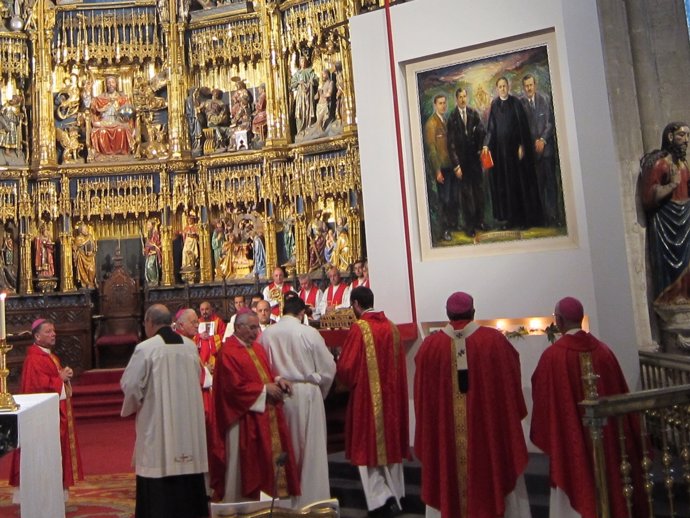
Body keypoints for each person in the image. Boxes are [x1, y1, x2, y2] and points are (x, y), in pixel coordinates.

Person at [414, 292, 531, 518]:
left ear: (447, 315)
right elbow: (511, 387)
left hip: (446, 442)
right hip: (487, 439)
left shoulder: (430, 348)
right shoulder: (494, 342)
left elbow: (422, 401)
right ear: (473, 312)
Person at [530, 297, 646, 518]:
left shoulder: (552, 357)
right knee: (609, 479)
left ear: (559, 321)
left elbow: (542, 396)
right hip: (608, 440)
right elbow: (621, 394)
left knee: (575, 477)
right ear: (581, 319)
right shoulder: (604, 352)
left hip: (570, 445)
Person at [121, 304, 209, 518]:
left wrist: (135, 404)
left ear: (149, 322)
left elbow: (131, 385)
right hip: (188, 425)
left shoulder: (146, 348)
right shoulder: (190, 347)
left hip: (158, 425)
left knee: (158, 470)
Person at [212, 310, 301, 502]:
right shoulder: (228, 352)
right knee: (244, 467)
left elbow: (263, 373)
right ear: (238, 328)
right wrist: (264, 390)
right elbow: (232, 389)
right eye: (252, 328)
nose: (256, 332)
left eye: (257, 327)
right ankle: (239, 504)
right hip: (242, 418)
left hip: (263, 414)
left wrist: (278, 380)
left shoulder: (256, 348)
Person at [336, 287, 409, 517]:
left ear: (356, 304)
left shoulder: (360, 328)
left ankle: (381, 501)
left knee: (366, 451)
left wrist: (342, 378)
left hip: (368, 401)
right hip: (393, 401)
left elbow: (347, 368)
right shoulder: (392, 327)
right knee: (390, 449)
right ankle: (397, 496)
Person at [259, 296, 336, 508]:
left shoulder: (267, 335)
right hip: (308, 392)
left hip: (278, 394)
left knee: (286, 449)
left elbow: (261, 364)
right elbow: (328, 368)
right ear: (302, 313)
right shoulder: (309, 333)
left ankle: (284, 505)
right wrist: (320, 389)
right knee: (312, 450)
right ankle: (313, 502)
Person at [9, 319, 84, 494]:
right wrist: (60, 379)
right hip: (44, 419)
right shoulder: (34, 359)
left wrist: (64, 377)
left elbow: (52, 379)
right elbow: (37, 388)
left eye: (54, 331)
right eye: (48, 331)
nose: (53, 334)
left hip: (56, 413)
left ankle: (56, 493)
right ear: (37, 336)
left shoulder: (50, 355)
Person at [640, 122, 690, 303]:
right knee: (669, 265)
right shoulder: (660, 164)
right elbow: (648, 197)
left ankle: (685, 295)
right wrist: (672, 185)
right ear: (670, 137)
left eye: (688, 137)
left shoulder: (684, 165)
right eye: (681, 136)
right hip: (666, 223)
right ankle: (671, 297)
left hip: (685, 221)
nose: (686, 141)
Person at [483, 76, 543, 229]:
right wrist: (486, 145)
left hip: (516, 154)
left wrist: (522, 145)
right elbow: (491, 129)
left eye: (504, 86)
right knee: (505, 186)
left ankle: (523, 220)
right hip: (501, 154)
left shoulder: (516, 103)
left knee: (519, 185)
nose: (503, 89)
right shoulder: (495, 105)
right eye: (500, 87)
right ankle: (510, 220)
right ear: (497, 89)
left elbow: (522, 127)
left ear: (508, 87)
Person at [521, 74, 559, 226]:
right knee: (537, 185)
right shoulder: (521, 104)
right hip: (532, 152)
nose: (529, 88)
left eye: (531, 85)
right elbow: (522, 128)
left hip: (547, 151)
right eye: (526, 86)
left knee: (550, 185)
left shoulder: (545, 100)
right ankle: (542, 218)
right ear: (524, 88)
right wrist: (531, 143)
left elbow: (550, 123)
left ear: (535, 85)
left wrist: (542, 139)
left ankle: (554, 217)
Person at [447, 88, 486, 237]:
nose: (463, 99)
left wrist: (480, 148)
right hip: (462, 163)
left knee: (479, 192)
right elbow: (450, 144)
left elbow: (482, 131)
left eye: (465, 96)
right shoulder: (452, 118)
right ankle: (469, 226)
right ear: (456, 99)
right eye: (460, 97)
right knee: (466, 195)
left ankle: (480, 221)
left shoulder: (473, 113)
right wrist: (456, 165)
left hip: (475, 161)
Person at [424, 94, 456, 241]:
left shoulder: (445, 120)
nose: (443, 106)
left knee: (451, 199)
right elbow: (431, 149)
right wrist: (437, 171)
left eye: (445, 103)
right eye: (440, 103)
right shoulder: (431, 123)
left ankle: (451, 225)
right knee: (444, 200)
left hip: (450, 166)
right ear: (435, 105)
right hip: (441, 168)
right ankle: (444, 231)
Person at [90, 75, 135, 159]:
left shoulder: (122, 98)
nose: (111, 84)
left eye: (112, 82)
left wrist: (125, 117)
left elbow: (127, 111)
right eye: (108, 83)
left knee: (121, 129)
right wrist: (87, 93)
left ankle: (122, 154)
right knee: (101, 131)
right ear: (106, 85)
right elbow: (93, 107)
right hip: (105, 120)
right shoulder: (101, 98)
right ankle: (103, 154)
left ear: (116, 84)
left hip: (117, 120)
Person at [290, 55, 318, 135]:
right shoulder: (297, 74)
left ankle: (309, 127)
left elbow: (316, 80)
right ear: (299, 63)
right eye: (301, 61)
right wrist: (299, 83)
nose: (303, 63)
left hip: (309, 95)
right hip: (300, 95)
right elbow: (292, 84)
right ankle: (300, 131)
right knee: (300, 110)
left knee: (308, 109)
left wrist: (311, 81)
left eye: (304, 61)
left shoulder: (310, 71)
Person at [73, 221, 97, 289]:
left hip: (90, 257)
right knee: (83, 270)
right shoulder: (78, 238)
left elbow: (93, 246)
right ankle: (86, 282)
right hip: (82, 257)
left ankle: (91, 282)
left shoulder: (90, 236)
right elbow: (76, 247)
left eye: (87, 229)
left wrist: (91, 251)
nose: (87, 230)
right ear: (80, 231)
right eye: (85, 229)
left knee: (92, 269)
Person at [144, 218, 162, 287]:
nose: (147, 226)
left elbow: (155, 243)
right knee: (148, 267)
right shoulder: (149, 234)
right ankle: (151, 280)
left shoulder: (155, 233)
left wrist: (149, 245)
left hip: (154, 253)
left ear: (152, 225)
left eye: (149, 225)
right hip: (150, 253)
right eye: (147, 225)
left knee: (150, 266)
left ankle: (154, 280)